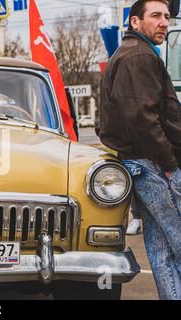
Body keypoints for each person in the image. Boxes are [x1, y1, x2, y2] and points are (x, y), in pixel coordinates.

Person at [98, 0, 181, 300]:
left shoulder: (133, 53)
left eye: (167, 17)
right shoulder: (139, 56)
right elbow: (142, 119)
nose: (164, 23)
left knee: (162, 250)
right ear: (135, 22)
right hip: (154, 165)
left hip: (141, 164)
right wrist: (169, 162)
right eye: (156, 16)